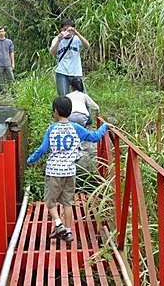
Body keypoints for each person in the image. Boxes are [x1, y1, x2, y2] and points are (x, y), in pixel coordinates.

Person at [26, 96, 109, 243]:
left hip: (54, 172)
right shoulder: (76, 128)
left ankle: (59, 225)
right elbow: (94, 137)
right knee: (67, 202)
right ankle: (69, 232)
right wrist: (105, 126)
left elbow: (42, 149)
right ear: (70, 112)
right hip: (70, 171)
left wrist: (31, 159)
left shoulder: (52, 129)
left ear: (55, 112)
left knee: (50, 201)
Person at [49, 19, 90, 96]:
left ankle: (85, 108)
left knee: (81, 95)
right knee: (63, 97)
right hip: (62, 72)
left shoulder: (77, 39)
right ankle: (65, 108)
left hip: (76, 72)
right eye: (65, 30)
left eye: (69, 30)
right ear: (61, 30)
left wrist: (77, 34)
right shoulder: (56, 39)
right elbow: (52, 52)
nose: (67, 32)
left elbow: (87, 46)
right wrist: (59, 40)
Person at [0, 26, 15, 94]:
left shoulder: (9, 42)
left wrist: (13, 63)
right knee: (0, 79)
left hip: (8, 63)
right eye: (0, 31)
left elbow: (12, 52)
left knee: (11, 78)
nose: (1, 33)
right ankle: (2, 93)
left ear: (5, 32)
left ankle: (13, 92)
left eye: (2, 31)